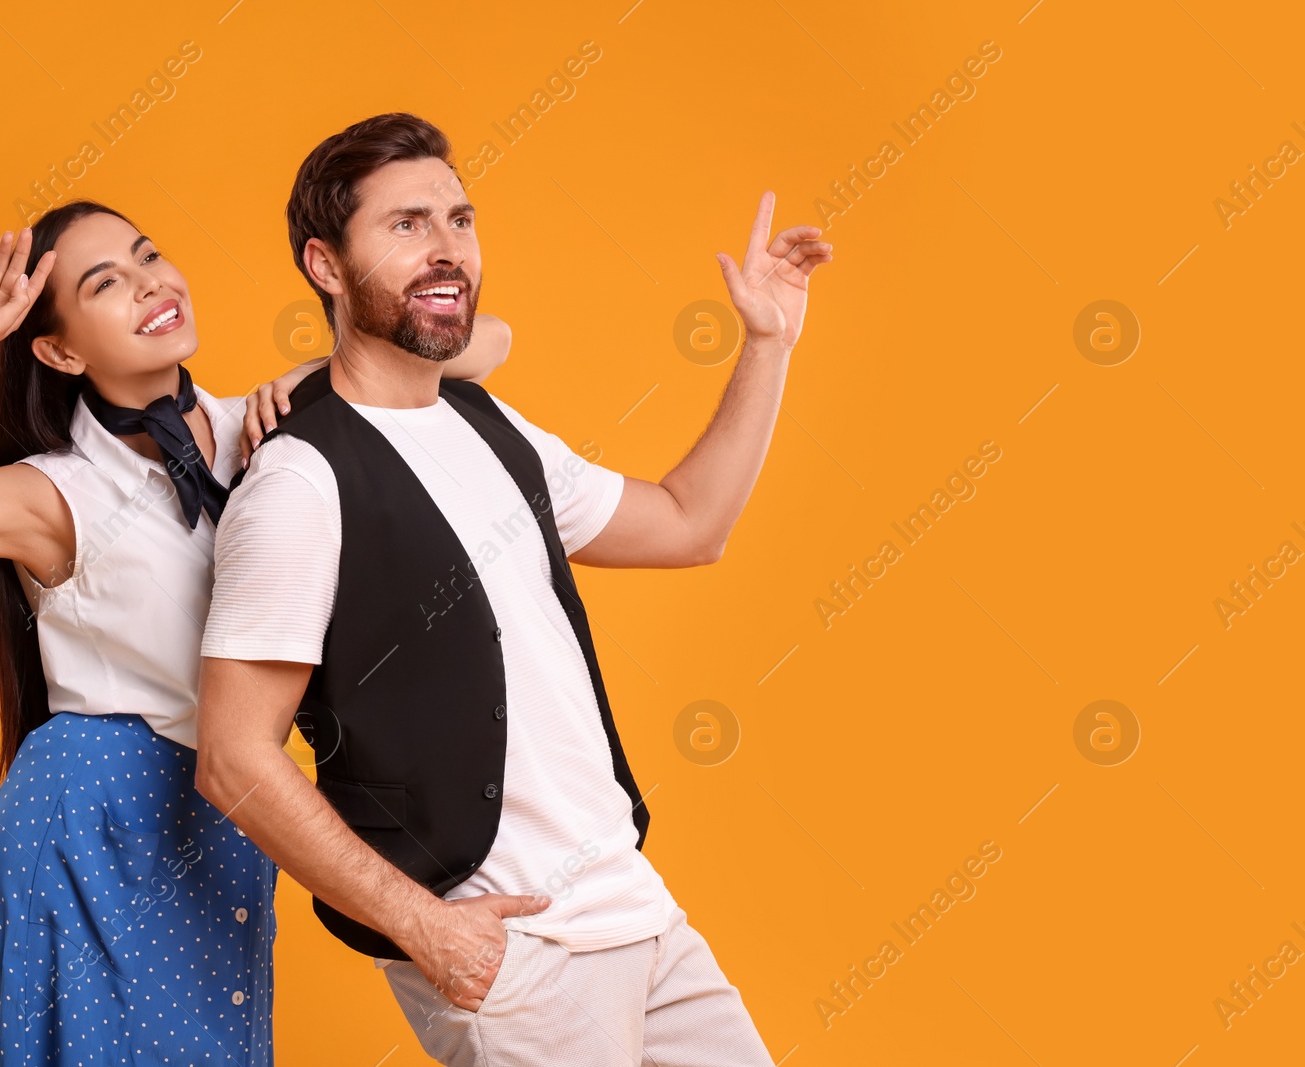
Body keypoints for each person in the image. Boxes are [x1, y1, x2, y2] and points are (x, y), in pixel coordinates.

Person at [0, 199, 510, 1065]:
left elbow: (485, 340)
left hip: (222, 813)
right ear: (60, 349)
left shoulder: (264, 428)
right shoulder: (54, 495)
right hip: (89, 817)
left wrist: (317, 371)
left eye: (149, 255)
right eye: (106, 282)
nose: (151, 282)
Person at [194, 113, 832, 1065]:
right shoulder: (300, 479)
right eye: (406, 225)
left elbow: (691, 524)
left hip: (638, 913)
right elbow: (236, 760)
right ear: (325, 265)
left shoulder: (489, 422)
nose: (446, 247)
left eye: (459, 217)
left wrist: (768, 345)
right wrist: (431, 931)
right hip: (519, 957)